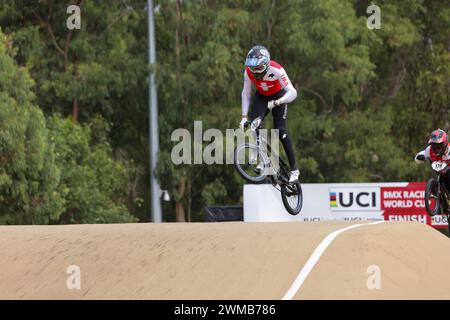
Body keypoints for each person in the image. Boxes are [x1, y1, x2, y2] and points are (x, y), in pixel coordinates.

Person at [240, 45, 299, 182]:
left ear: (266, 64)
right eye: (252, 68)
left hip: (279, 97)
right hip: (262, 97)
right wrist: (243, 117)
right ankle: (262, 159)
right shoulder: (248, 72)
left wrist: (279, 102)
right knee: (254, 125)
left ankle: (294, 170)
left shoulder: (276, 69)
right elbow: (246, 94)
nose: (255, 72)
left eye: (258, 68)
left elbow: (293, 92)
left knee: (280, 131)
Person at [415, 128, 450, 194]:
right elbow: (422, 154)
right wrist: (419, 157)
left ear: (445, 144)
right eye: (434, 146)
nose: (437, 149)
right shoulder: (429, 150)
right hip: (441, 173)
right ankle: (438, 197)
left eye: (439, 146)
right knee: (434, 182)